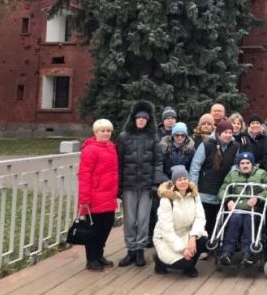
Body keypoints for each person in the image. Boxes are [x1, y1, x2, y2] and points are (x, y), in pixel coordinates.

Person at [116, 101, 163, 267]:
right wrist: (118, 186)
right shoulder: (124, 137)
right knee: (130, 220)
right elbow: (119, 162)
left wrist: (156, 184)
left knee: (143, 219)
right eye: (139, 118)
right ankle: (130, 250)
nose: (141, 120)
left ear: (148, 120)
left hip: (146, 186)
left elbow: (158, 163)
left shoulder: (153, 138)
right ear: (134, 119)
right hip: (128, 185)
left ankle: (140, 250)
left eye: (145, 118)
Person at [77, 119, 118, 271]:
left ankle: (99, 254)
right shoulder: (90, 150)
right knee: (93, 229)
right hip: (94, 197)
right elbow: (84, 175)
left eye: (108, 130)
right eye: (102, 131)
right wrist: (84, 199)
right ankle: (91, 259)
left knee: (106, 227)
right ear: (95, 132)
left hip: (109, 196)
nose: (106, 133)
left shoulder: (112, 147)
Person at [153, 165, 207, 277]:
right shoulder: (166, 200)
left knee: (202, 238)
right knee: (184, 263)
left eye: (185, 178)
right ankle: (159, 261)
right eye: (179, 179)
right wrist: (182, 250)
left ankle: (190, 266)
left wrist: (193, 237)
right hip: (166, 238)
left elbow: (200, 218)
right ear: (174, 183)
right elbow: (166, 230)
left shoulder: (194, 195)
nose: (183, 182)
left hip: (186, 233)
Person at [217, 152, 267, 266]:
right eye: (242, 163)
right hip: (236, 207)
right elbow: (222, 190)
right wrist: (228, 201)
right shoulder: (232, 174)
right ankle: (227, 252)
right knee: (235, 219)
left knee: (248, 220)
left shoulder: (261, 174)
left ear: (252, 164)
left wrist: (257, 198)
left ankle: (248, 253)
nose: (245, 165)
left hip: (253, 208)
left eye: (248, 163)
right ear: (238, 164)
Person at [191, 119, 240, 240]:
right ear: (218, 133)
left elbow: (235, 163)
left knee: (219, 220)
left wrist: (232, 176)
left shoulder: (235, 146)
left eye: (230, 132)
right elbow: (195, 166)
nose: (228, 135)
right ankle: (203, 248)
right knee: (205, 219)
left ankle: (215, 244)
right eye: (225, 132)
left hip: (223, 188)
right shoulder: (206, 145)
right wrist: (193, 186)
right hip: (205, 189)